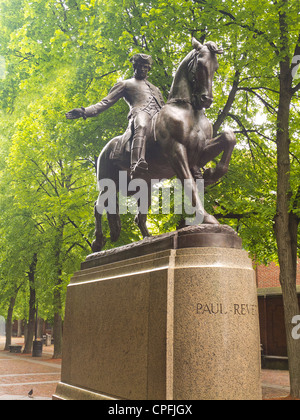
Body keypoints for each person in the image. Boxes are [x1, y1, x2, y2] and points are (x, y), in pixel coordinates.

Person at [66, 54, 165, 178]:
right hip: (140, 112)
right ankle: (136, 164)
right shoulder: (125, 84)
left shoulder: (155, 88)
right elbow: (105, 102)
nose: (143, 69)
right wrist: (84, 111)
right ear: (135, 67)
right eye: (140, 66)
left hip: (158, 115)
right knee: (142, 125)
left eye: (146, 67)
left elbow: (163, 106)